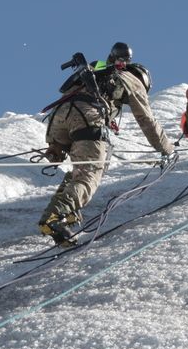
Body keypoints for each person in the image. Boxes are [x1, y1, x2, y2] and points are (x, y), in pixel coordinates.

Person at [39, 42, 174, 246]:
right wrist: (167, 149)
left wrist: (55, 144)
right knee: (90, 174)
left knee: (81, 168)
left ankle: (65, 212)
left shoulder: (97, 70)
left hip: (59, 117)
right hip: (86, 116)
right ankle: (56, 216)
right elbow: (146, 119)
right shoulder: (131, 78)